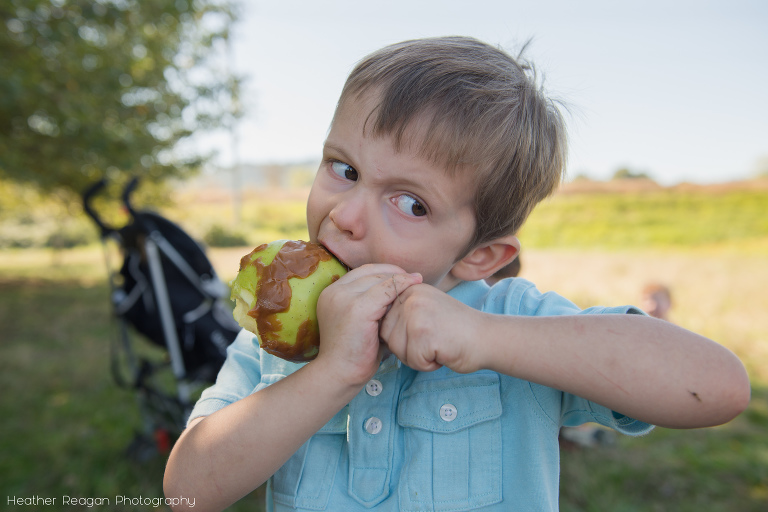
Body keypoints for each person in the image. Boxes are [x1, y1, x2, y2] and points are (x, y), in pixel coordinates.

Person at [164, 36, 750, 512]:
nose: (344, 217)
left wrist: (487, 339)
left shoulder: (509, 321)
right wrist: (331, 372)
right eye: (343, 168)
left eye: (411, 203)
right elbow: (187, 491)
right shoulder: (272, 344)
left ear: (478, 256)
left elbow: (717, 386)